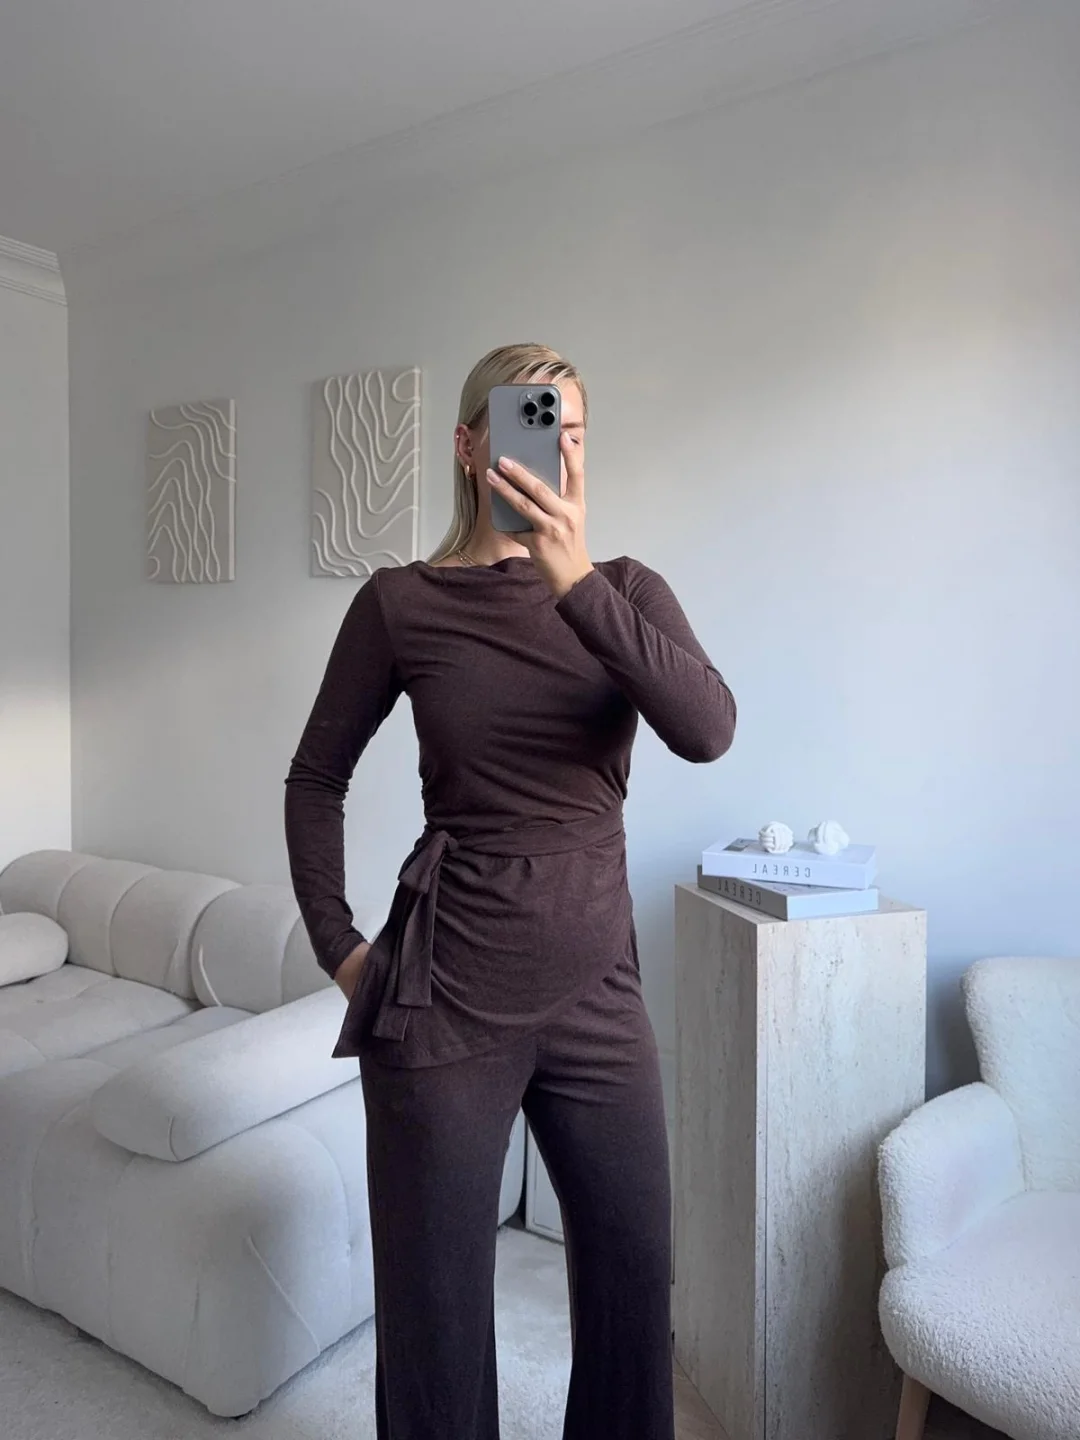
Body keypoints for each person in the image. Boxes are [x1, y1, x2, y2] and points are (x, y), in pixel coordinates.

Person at [284, 342, 736, 1439]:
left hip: (599, 996)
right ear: (470, 446)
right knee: (434, 1325)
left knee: (633, 1294)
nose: (558, 452)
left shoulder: (625, 588)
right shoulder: (402, 602)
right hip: (442, 999)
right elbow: (315, 778)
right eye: (535, 427)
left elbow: (708, 729)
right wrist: (341, 947)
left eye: (573, 432)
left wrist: (572, 580)